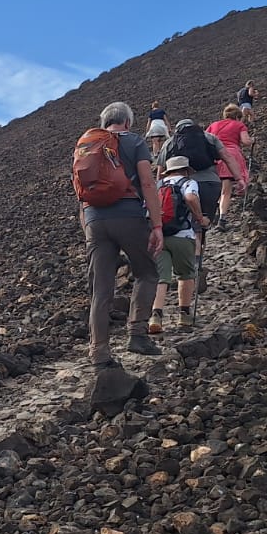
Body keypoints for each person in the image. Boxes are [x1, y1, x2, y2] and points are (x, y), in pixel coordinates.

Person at [80, 102, 164, 367]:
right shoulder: (134, 141)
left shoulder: (86, 145)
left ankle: (99, 352)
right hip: (128, 215)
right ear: (127, 122)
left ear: (104, 122)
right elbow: (147, 182)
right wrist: (157, 225)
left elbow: (81, 192)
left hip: (94, 220)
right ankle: (137, 335)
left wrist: (88, 229)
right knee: (147, 272)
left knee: (100, 288)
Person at [160, 119, 234, 295]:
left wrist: (160, 187)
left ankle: (187, 268)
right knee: (201, 227)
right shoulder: (208, 137)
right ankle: (197, 265)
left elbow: (160, 168)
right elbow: (227, 157)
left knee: (187, 224)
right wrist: (238, 178)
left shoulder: (170, 142)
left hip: (179, 187)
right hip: (210, 184)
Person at [149, 156, 209, 334]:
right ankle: (184, 315)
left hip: (159, 235)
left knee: (161, 277)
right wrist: (200, 218)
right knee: (185, 274)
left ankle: (156, 316)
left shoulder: (157, 185)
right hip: (183, 235)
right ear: (186, 170)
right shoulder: (188, 183)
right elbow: (190, 198)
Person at [206, 104, 253, 225]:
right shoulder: (239, 125)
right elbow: (246, 141)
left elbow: (205, 140)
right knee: (226, 191)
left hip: (213, 158)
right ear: (237, 116)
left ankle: (213, 214)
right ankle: (222, 219)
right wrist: (252, 140)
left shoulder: (214, 125)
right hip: (230, 157)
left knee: (215, 188)